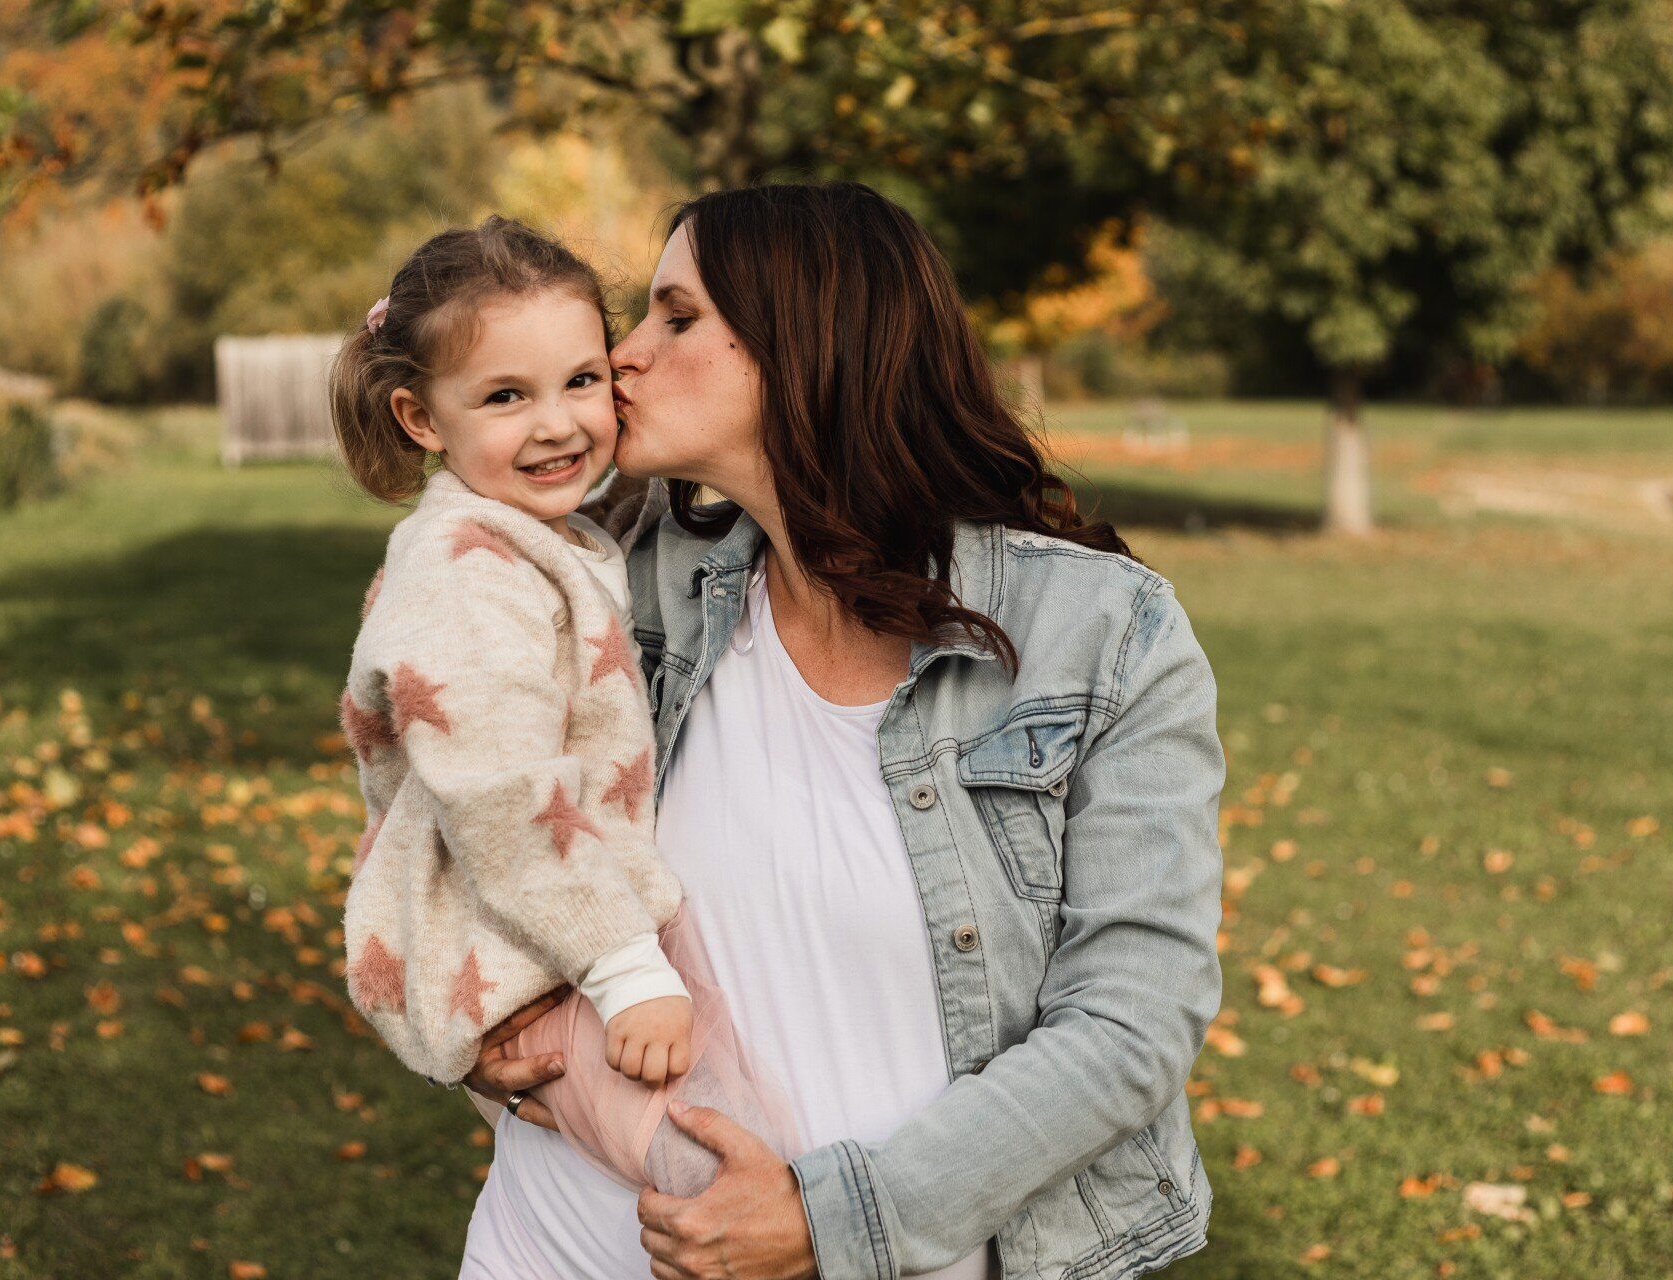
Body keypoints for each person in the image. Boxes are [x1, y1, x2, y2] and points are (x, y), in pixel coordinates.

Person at [461, 181, 1228, 1280]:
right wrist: (471, 1015)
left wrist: (831, 1220)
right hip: (565, 1241)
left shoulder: (1098, 632)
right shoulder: (624, 581)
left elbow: (1132, 1023)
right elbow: (450, 781)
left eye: (676, 317)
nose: (621, 354)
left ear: (807, 343)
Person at [327, 215, 798, 1204]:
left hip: (562, 946)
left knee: (766, 1145)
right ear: (420, 418)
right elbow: (505, 797)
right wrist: (626, 969)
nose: (557, 423)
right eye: (506, 396)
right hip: (537, 967)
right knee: (731, 1180)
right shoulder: (464, 571)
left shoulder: (548, 535)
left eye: (582, 380)